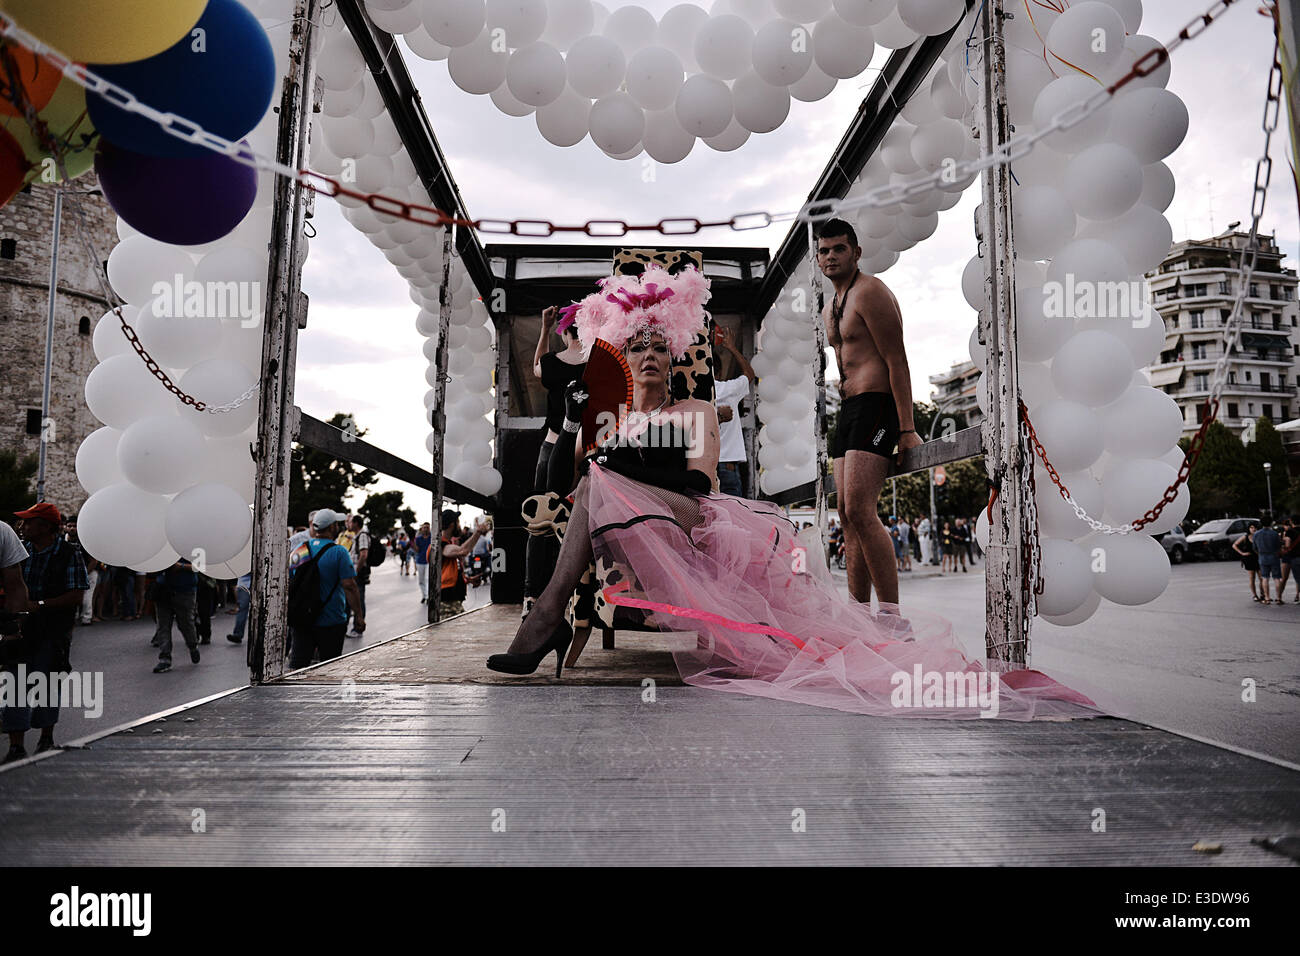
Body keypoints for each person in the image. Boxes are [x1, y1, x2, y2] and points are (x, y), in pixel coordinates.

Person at [484, 266, 1100, 721]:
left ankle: (544, 621)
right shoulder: (607, 415)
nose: (647, 357)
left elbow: (701, 485)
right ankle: (546, 620)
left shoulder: (696, 407)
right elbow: (563, 483)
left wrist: (623, 469)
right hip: (624, 535)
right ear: (622, 357)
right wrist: (572, 424)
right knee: (594, 484)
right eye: (636, 348)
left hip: (689, 526)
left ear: (673, 360)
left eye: (658, 349)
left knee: (601, 483)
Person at [817, 218, 921, 609]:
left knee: (861, 508)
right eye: (824, 251)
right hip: (849, 410)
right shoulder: (830, 306)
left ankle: (892, 615)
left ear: (856, 252)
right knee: (844, 513)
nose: (830, 256)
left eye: (838, 248)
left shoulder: (871, 292)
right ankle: (858, 612)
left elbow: (897, 360)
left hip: (877, 406)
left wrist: (907, 428)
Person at [4, 503, 88, 761]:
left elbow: (76, 594)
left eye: (29, 522)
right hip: (21, 627)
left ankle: (46, 739)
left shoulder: (68, 553)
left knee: (47, 683)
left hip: (53, 630)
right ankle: (16, 745)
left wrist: (39, 605)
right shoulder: (20, 550)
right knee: (14, 684)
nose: (23, 526)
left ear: (45, 526)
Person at [523, 304, 588, 619]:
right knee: (579, 525)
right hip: (588, 450)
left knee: (540, 523)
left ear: (566, 333)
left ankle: (533, 598)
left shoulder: (552, 363)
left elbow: (537, 366)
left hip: (552, 448)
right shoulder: (600, 365)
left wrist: (544, 328)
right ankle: (577, 598)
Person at [288, 509, 363, 669]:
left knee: (298, 667)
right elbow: (349, 586)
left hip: (302, 619)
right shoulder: (339, 552)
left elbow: (291, 580)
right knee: (330, 668)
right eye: (336, 524)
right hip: (331, 620)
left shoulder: (301, 548)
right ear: (331, 527)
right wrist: (358, 616)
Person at [712, 325, 756, 498]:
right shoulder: (728, 389)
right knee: (733, 517)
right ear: (719, 372)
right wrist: (731, 347)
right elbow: (749, 373)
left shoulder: (692, 396)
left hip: (702, 465)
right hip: (727, 464)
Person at [151, 557, 201, 673]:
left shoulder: (194, 544)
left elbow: (200, 566)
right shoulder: (162, 545)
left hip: (185, 591)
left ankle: (193, 645)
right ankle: (165, 658)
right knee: (163, 625)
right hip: (163, 589)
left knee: (185, 624)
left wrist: (181, 567)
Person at [436, 511, 483, 617]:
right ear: (452, 524)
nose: (459, 525)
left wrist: (467, 580)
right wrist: (478, 532)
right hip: (448, 602)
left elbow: (449, 571)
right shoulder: (440, 544)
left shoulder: (447, 543)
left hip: (453, 601)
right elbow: (462, 551)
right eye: (458, 522)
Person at [345, 515, 370, 638]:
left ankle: (358, 628)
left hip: (358, 573)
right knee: (353, 599)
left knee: (358, 599)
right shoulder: (357, 536)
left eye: (350, 522)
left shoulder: (363, 535)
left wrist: (356, 571)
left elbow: (363, 555)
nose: (348, 525)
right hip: (354, 572)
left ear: (356, 523)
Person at [1252, 518, 1284, 604]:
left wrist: (1260, 553)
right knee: (1277, 578)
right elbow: (1279, 546)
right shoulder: (1274, 534)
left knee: (1265, 578)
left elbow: (1254, 547)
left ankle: (1267, 597)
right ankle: (1278, 598)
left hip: (1262, 557)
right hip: (1274, 557)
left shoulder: (1256, 534)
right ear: (1270, 524)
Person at [1231, 522, 1263, 602]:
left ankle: (1263, 594)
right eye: (1251, 527)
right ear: (1249, 529)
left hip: (1259, 558)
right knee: (1252, 578)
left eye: (1255, 527)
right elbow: (1234, 545)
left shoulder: (1259, 536)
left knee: (1261, 578)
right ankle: (1255, 595)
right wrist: (1242, 553)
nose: (1253, 529)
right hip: (1249, 559)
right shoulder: (1245, 537)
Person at [1276, 516, 1299, 603]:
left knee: (1284, 578)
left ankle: (1279, 597)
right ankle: (1297, 596)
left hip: (1288, 556)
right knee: (1297, 579)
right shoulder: (1285, 533)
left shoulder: (1288, 533)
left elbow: (1286, 545)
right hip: (1293, 556)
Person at [226, 572, 252, 643]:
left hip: (250, 582)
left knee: (243, 609)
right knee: (242, 609)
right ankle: (238, 634)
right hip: (244, 583)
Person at [413, 521, 432, 601]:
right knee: (421, 580)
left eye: (427, 527)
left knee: (427, 579)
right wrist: (413, 542)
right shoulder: (418, 538)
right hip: (420, 561)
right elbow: (417, 550)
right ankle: (424, 595)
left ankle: (428, 596)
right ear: (422, 529)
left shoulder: (432, 538)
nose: (426, 529)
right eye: (424, 528)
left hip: (429, 561)